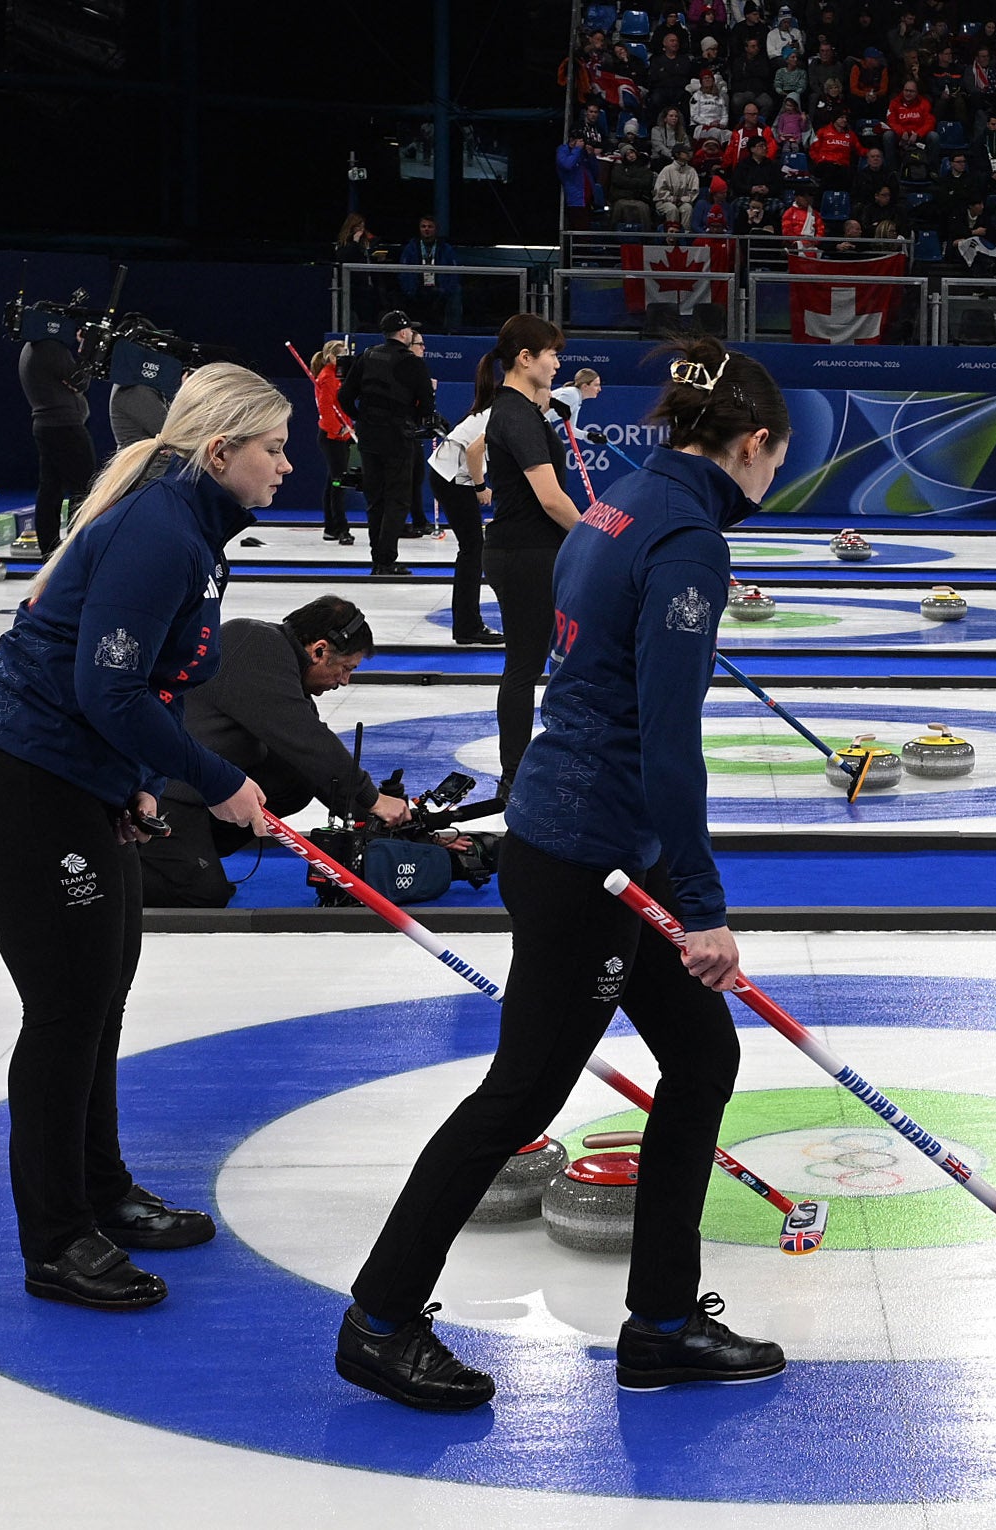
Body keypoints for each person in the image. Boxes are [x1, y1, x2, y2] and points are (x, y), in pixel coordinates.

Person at [336, 337, 792, 1411]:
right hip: (590, 857)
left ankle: (663, 1324)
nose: (775, 475)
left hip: (587, 833)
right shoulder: (687, 539)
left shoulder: (625, 498)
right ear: (754, 444)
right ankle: (380, 1320)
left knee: (702, 1056)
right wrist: (703, 907)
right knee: (520, 1095)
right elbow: (668, 745)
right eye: (778, 458)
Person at [0, 364, 286, 1311]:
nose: (286, 466)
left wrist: (137, 782)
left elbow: (143, 687)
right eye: (273, 449)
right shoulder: (159, 530)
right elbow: (110, 687)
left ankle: (100, 1190)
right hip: (21, 781)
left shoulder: (191, 526)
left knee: (103, 992)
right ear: (221, 451)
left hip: (77, 780)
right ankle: (57, 1240)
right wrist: (219, 782)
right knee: (67, 1009)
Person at [138, 597, 414, 907]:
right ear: (319, 650)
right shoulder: (255, 647)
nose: (344, 681)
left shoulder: (278, 657)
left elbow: (313, 764)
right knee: (203, 894)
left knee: (296, 779)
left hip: (199, 785)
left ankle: (194, 857)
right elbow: (308, 742)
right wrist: (373, 799)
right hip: (161, 791)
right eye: (345, 669)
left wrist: (383, 823)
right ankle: (128, 864)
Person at [477, 313, 581, 788]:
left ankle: (525, 765)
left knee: (534, 662)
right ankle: (514, 773)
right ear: (525, 358)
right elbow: (551, 498)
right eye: (552, 354)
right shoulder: (514, 414)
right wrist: (595, 538)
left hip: (531, 550)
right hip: (525, 554)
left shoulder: (520, 409)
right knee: (524, 666)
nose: (558, 363)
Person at [336, 311, 433, 576]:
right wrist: (411, 420)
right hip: (397, 438)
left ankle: (377, 559)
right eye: (410, 330)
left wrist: (361, 418)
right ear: (403, 333)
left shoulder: (367, 356)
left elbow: (344, 396)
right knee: (397, 500)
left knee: (375, 499)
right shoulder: (412, 362)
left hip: (369, 437)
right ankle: (386, 560)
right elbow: (427, 405)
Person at [425, 395, 502, 646]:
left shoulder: (497, 410)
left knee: (472, 549)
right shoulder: (500, 413)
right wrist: (480, 486)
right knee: (472, 549)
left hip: (449, 475)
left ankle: (466, 625)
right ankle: (468, 626)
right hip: (452, 478)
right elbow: (474, 450)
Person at [20, 318, 95, 560]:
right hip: (65, 427)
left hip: (47, 426)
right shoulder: (50, 348)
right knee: (84, 488)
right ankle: (76, 551)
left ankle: (50, 552)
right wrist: (87, 349)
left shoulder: (31, 348)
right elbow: (81, 380)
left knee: (50, 489)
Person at [311, 340, 357, 545]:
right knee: (339, 482)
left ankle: (330, 527)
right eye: (342, 355)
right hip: (332, 438)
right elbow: (325, 409)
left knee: (334, 482)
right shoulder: (327, 378)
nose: (346, 358)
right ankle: (341, 528)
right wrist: (337, 429)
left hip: (343, 436)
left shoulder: (339, 376)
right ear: (331, 357)